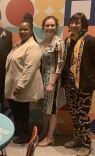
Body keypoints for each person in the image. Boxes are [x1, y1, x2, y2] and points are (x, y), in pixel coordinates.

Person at [62, 13, 95, 156]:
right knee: (74, 114)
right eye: (72, 22)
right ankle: (77, 140)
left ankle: (86, 144)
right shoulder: (67, 40)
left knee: (82, 116)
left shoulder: (91, 41)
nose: (73, 25)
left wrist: (82, 72)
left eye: (77, 23)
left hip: (84, 85)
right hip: (69, 85)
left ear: (83, 25)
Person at [5, 13, 44, 144]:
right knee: (17, 112)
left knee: (21, 112)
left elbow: (29, 69)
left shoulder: (33, 46)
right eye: (21, 29)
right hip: (14, 85)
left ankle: (25, 135)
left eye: (25, 29)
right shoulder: (20, 43)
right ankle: (22, 132)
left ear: (31, 30)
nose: (22, 31)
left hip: (21, 87)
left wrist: (19, 86)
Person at [37, 16, 66, 146]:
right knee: (44, 108)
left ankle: (50, 137)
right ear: (43, 27)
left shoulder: (59, 43)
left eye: (52, 25)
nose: (49, 28)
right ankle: (44, 131)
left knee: (52, 109)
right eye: (47, 25)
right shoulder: (42, 43)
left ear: (56, 27)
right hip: (42, 80)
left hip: (52, 81)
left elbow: (60, 64)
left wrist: (52, 83)